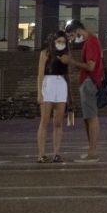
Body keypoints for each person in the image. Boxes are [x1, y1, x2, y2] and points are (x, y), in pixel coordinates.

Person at [62, 20, 103, 163]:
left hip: (89, 82)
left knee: (91, 117)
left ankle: (93, 152)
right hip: (88, 82)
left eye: (73, 35)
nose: (73, 40)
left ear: (79, 30)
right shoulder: (91, 42)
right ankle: (91, 150)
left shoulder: (91, 42)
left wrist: (72, 62)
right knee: (88, 118)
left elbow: (91, 67)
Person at [36, 31, 69, 163]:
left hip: (61, 85)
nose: (61, 44)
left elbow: (67, 74)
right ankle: (41, 154)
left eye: (63, 42)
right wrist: (39, 93)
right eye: (59, 41)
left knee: (58, 122)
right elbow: (40, 74)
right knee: (44, 122)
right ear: (53, 41)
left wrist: (70, 97)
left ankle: (56, 153)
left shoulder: (66, 54)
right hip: (48, 84)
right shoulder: (45, 53)